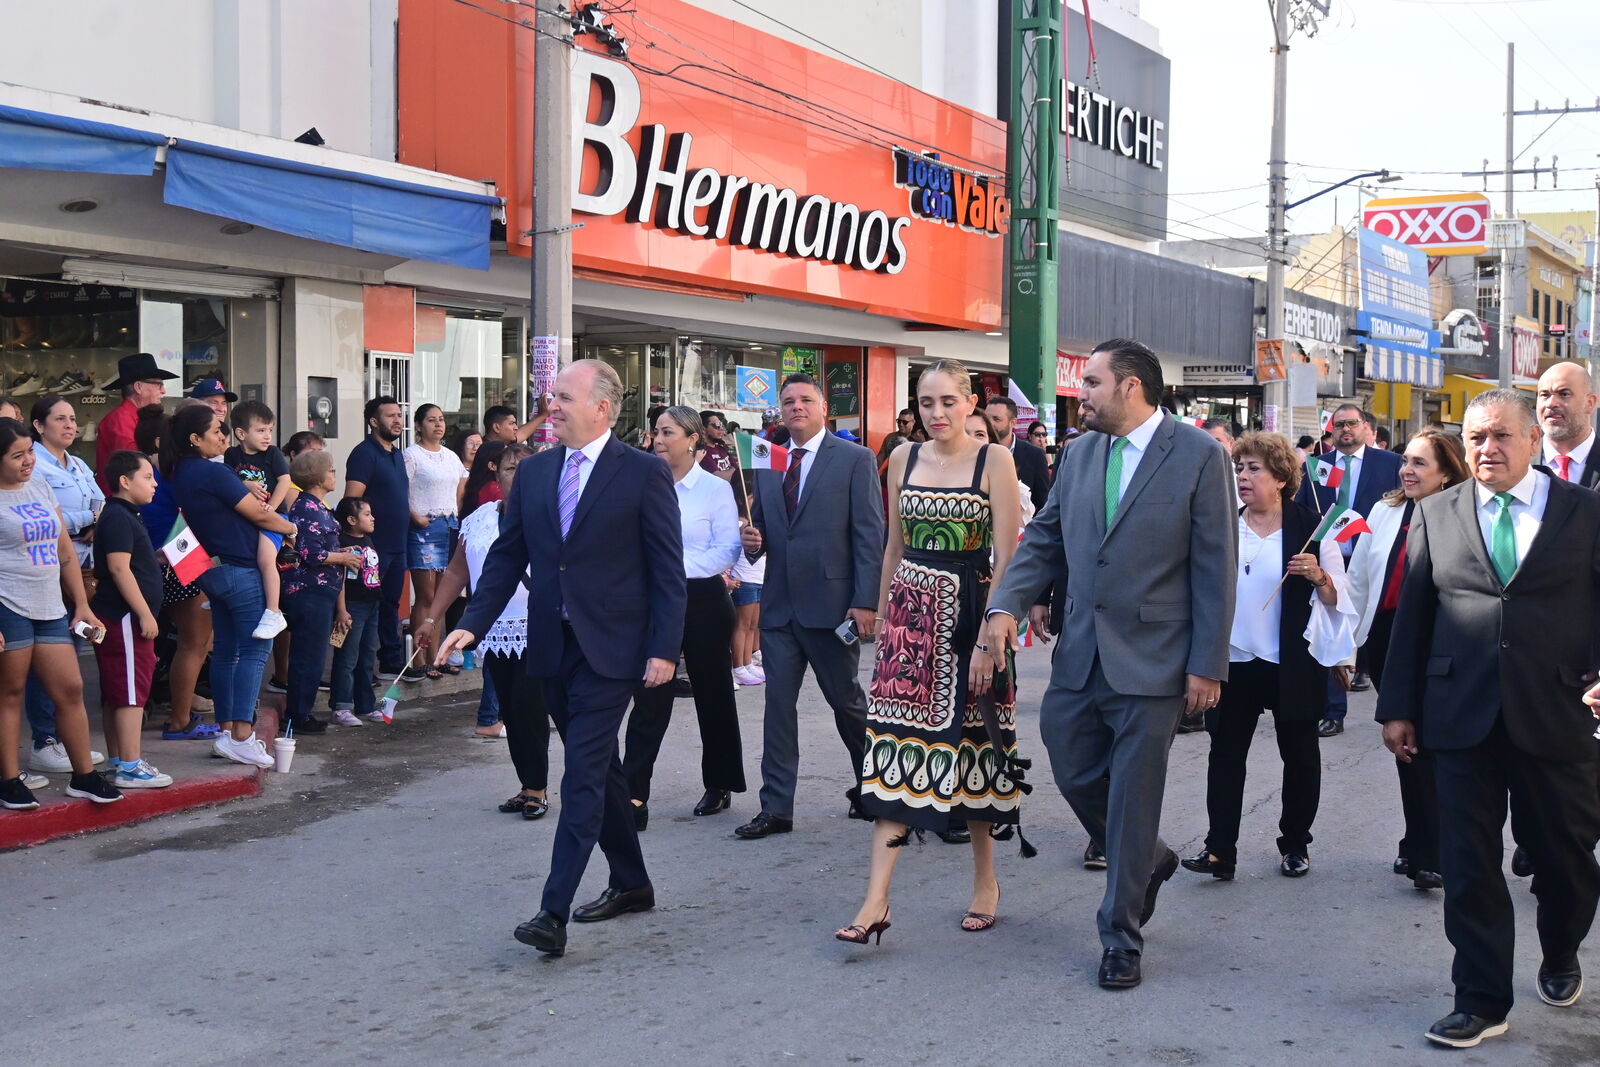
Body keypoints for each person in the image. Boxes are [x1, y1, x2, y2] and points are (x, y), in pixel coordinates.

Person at [985, 338, 1237, 990]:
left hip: (1157, 659)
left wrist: (1206, 663)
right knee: (1067, 756)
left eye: (1092, 382)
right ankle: (1146, 857)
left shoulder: (1199, 455)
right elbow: (1044, 539)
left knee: (1132, 794)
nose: (1082, 394)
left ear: (1130, 387)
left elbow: (1215, 566)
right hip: (1082, 651)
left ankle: (1120, 935)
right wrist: (1006, 603)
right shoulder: (1079, 452)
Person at [435, 359, 686, 959]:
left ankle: (552, 911)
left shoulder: (643, 472)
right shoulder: (540, 471)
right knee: (599, 770)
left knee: (581, 773)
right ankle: (632, 881)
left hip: (614, 649)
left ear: (602, 407)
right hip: (551, 645)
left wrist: (663, 650)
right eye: (551, 394)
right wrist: (470, 625)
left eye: (564, 395)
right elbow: (506, 558)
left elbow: (666, 570)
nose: (552, 404)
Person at [1378, 389, 1600, 1049]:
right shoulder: (1437, 513)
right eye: (1475, 438)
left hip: (1555, 711)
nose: (1486, 449)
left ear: (1533, 440)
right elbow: (1413, 614)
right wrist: (1397, 707)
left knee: (1564, 860)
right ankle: (1480, 998)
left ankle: (1561, 948)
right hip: (1459, 715)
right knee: (1468, 863)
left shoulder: (1584, 513)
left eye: (1501, 435)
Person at [835, 360, 1024, 944]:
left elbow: (1008, 557)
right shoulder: (900, 460)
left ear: (970, 403)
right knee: (893, 756)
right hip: (910, 629)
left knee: (973, 757)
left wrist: (991, 637)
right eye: (925, 402)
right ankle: (875, 902)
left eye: (947, 401)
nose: (936, 413)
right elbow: (893, 548)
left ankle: (986, 882)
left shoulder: (996, 461)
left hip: (972, 617)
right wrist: (887, 621)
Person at [1180, 433, 1354, 883]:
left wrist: (1317, 575)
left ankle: (1295, 844)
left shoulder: (1312, 527)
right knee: (1225, 755)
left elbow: (1340, 597)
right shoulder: (1221, 523)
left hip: (1291, 660)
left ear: (1280, 478)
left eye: (1254, 469)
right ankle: (1220, 850)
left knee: (1299, 755)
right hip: (1232, 661)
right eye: (1239, 469)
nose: (1243, 477)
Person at [734, 372, 885, 839]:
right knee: (777, 708)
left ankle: (875, 789)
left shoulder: (855, 459)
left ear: (823, 408)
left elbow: (868, 535)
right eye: (788, 401)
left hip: (833, 608)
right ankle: (776, 808)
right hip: (779, 609)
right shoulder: (765, 457)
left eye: (805, 399)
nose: (796, 407)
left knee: (847, 704)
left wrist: (865, 602)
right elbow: (761, 530)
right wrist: (751, 541)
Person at [1346, 428, 1468, 891]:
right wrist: (1350, 646)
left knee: (1428, 747)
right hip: (1386, 643)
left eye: (1420, 463)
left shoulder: (1460, 514)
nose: (1407, 470)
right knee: (1406, 744)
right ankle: (1416, 842)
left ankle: (1431, 851)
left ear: (1446, 472)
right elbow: (1360, 578)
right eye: (1406, 461)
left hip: (1440, 647)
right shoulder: (1386, 509)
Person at [621, 407, 743, 826]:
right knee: (650, 694)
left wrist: (674, 568)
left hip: (702, 598)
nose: (658, 439)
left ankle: (720, 782)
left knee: (713, 694)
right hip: (652, 601)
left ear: (692, 439)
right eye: (655, 431)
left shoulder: (714, 489)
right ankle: (633, 793)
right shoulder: (639, 484)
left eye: (667, 432)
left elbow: (727, 549)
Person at [418, 445, 551, 811]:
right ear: (497, 475)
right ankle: (527, 784)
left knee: (529, 708)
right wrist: (433, 619)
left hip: (535, 628)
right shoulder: (479, 518)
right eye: (510, 468)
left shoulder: (550, 516)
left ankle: (538, 788)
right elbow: (458, 572)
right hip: (491, 631)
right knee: (508, 706)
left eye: (526, 468)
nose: (517, 475)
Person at [0, 417, 122, 810]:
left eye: (30, 452)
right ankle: (7, 780)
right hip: (8, 602)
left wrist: (81, 604)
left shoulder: (38, 484)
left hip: (50, 602)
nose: (28, 461)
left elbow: (64, 550)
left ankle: (84, 776)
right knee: (11, 692)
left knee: (69, 689)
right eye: (16, 456)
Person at [165, 404, 294, 768]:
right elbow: (256, 512)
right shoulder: (211, 472)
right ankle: (241, 735)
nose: (224, 435)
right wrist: (288, 527)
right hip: (239, 568)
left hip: (213, 570)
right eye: (217, 430)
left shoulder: (183, 472)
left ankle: (226, 731)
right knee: (255, 651)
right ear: (195, 439)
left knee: (224, 651)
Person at [1294, 402, 1402, 735]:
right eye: (1338, 425)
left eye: (1351, 423)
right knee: (1333, 629)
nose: (1345, 430)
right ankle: (1333, 710)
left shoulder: (1390, 463)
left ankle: (1392, 703)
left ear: (1366, 427)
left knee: (1376, 630)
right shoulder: (1317, 467)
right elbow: (1300, 507)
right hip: (1331, 560)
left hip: (1371, 557)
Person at [23, 394, 106, 773]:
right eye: (60, 419)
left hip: (82, 569)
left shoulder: (78, 463)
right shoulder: (32, 464)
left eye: (73, 419)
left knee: (70, 655)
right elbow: (44, 514)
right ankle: (45, 740)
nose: (70, 425)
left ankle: (65, 739)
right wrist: (82, 522)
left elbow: (101, 502)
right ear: (39, 426)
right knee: (48, 661)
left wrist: (90, 520)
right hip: (45, 567)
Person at [134, 404, 218, 742]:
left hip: (160, 559)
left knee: (176, 644)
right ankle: (180, 720)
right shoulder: (181, 473)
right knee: (193, 645)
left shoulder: (158, 470)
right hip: (181, 558)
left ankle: (166, 710)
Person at [92, 450, 172, 789]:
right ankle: (129, 765)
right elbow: (118, 568)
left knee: (118, 690)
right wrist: (143, 613)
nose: (154, 484)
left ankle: (116, 761)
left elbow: (129, 561)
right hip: (124, 619)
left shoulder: (124, 515)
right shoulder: (118, 517)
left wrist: (154, 558)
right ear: (125, 482)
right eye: (147, 477)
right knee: (130, 693)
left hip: (122, 618)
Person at [282, 450, 361, 734]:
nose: (334, 475)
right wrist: (343, 558)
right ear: (317, 476)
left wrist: (341, 552)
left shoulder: (319, 507)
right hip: (308, 591)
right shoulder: (306, 508)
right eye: (330, 470)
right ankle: (297, 715)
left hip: (321, 592)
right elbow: (311, 554)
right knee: (308, 655)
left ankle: (302, 711)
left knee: (314, 655)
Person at [344, 397, 410, 678]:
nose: (397, 420)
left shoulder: (396, 453)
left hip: (398, 543)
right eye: (390, 416)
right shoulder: (364, 454)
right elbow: (351, 501)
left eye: (399, 415)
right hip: (373, 546)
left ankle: (390, 659)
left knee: (391, 603)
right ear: (373, 422)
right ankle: (361, 670)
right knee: (367, 607)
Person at [403, 403, 468, 680]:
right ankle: (420, 661)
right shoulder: (411, 455)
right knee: (426, 596)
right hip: (423, 527)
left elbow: (460, 490)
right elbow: (400, 491)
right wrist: (414, 516)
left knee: (442, 598)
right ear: (419, 425)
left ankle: (437, 657)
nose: (438, 425)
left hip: (449, 524)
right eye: (431, 420)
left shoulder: (452, 456)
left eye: (441, 420)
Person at [223, 399, 291, 641]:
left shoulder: (272, 454)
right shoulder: (232, 454)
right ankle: (224, 597)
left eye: (270, 430)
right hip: (245, 515)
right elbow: (226, 481)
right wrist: (245, 485)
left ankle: (273, 610)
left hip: (273, 516)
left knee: (265, 558)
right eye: (261, 430)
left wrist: (271, 509)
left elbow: (284, 481)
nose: (267, 436)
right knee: (229, 551)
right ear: (241, 433)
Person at [329, 496, 384, 726]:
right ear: (351, 519)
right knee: (347, 656)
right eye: (367, 514)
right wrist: (342, 610)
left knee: (367, 656)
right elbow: (340, 579)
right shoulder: (344, 544)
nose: (372, 518)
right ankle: (341, 706)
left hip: (372, 605)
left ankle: (366, 705)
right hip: (353, 607)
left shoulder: (368, 539)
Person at [95, 353, 177, 494]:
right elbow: (133, 465)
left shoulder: (135, 417)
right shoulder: (119, 420)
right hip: (122, 501)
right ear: (139, 387)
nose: (163, 391)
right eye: (159, 385)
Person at [1537, 361, 1600, 489]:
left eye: (1564, 394)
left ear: (1590, 403)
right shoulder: (1516, 461)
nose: (1551, 403)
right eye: (1544, 395)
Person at [984, 395, 1050, 515]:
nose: (989, 424)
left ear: (1013, 423)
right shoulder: (978, 451)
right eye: (987, 419)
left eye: (996, 419)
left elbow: (1042, 503)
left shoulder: (1034, 455)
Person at [729, 484, 765, 687]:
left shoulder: (758, 522)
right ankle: (738, 666)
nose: (755, 501)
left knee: (753, 625)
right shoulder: (741, 523)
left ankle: (748, 661)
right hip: (745, 579)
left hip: (759, 578)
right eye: (751, 497)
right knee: (742, 625)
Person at [697, 410, 735, 477]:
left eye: (721, 425)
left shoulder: (722, 448)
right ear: (703, 429)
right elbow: (718, 477)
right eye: (717, 425)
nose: (721, 428)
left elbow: (736, 468)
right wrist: (734, 471)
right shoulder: (702, 452)